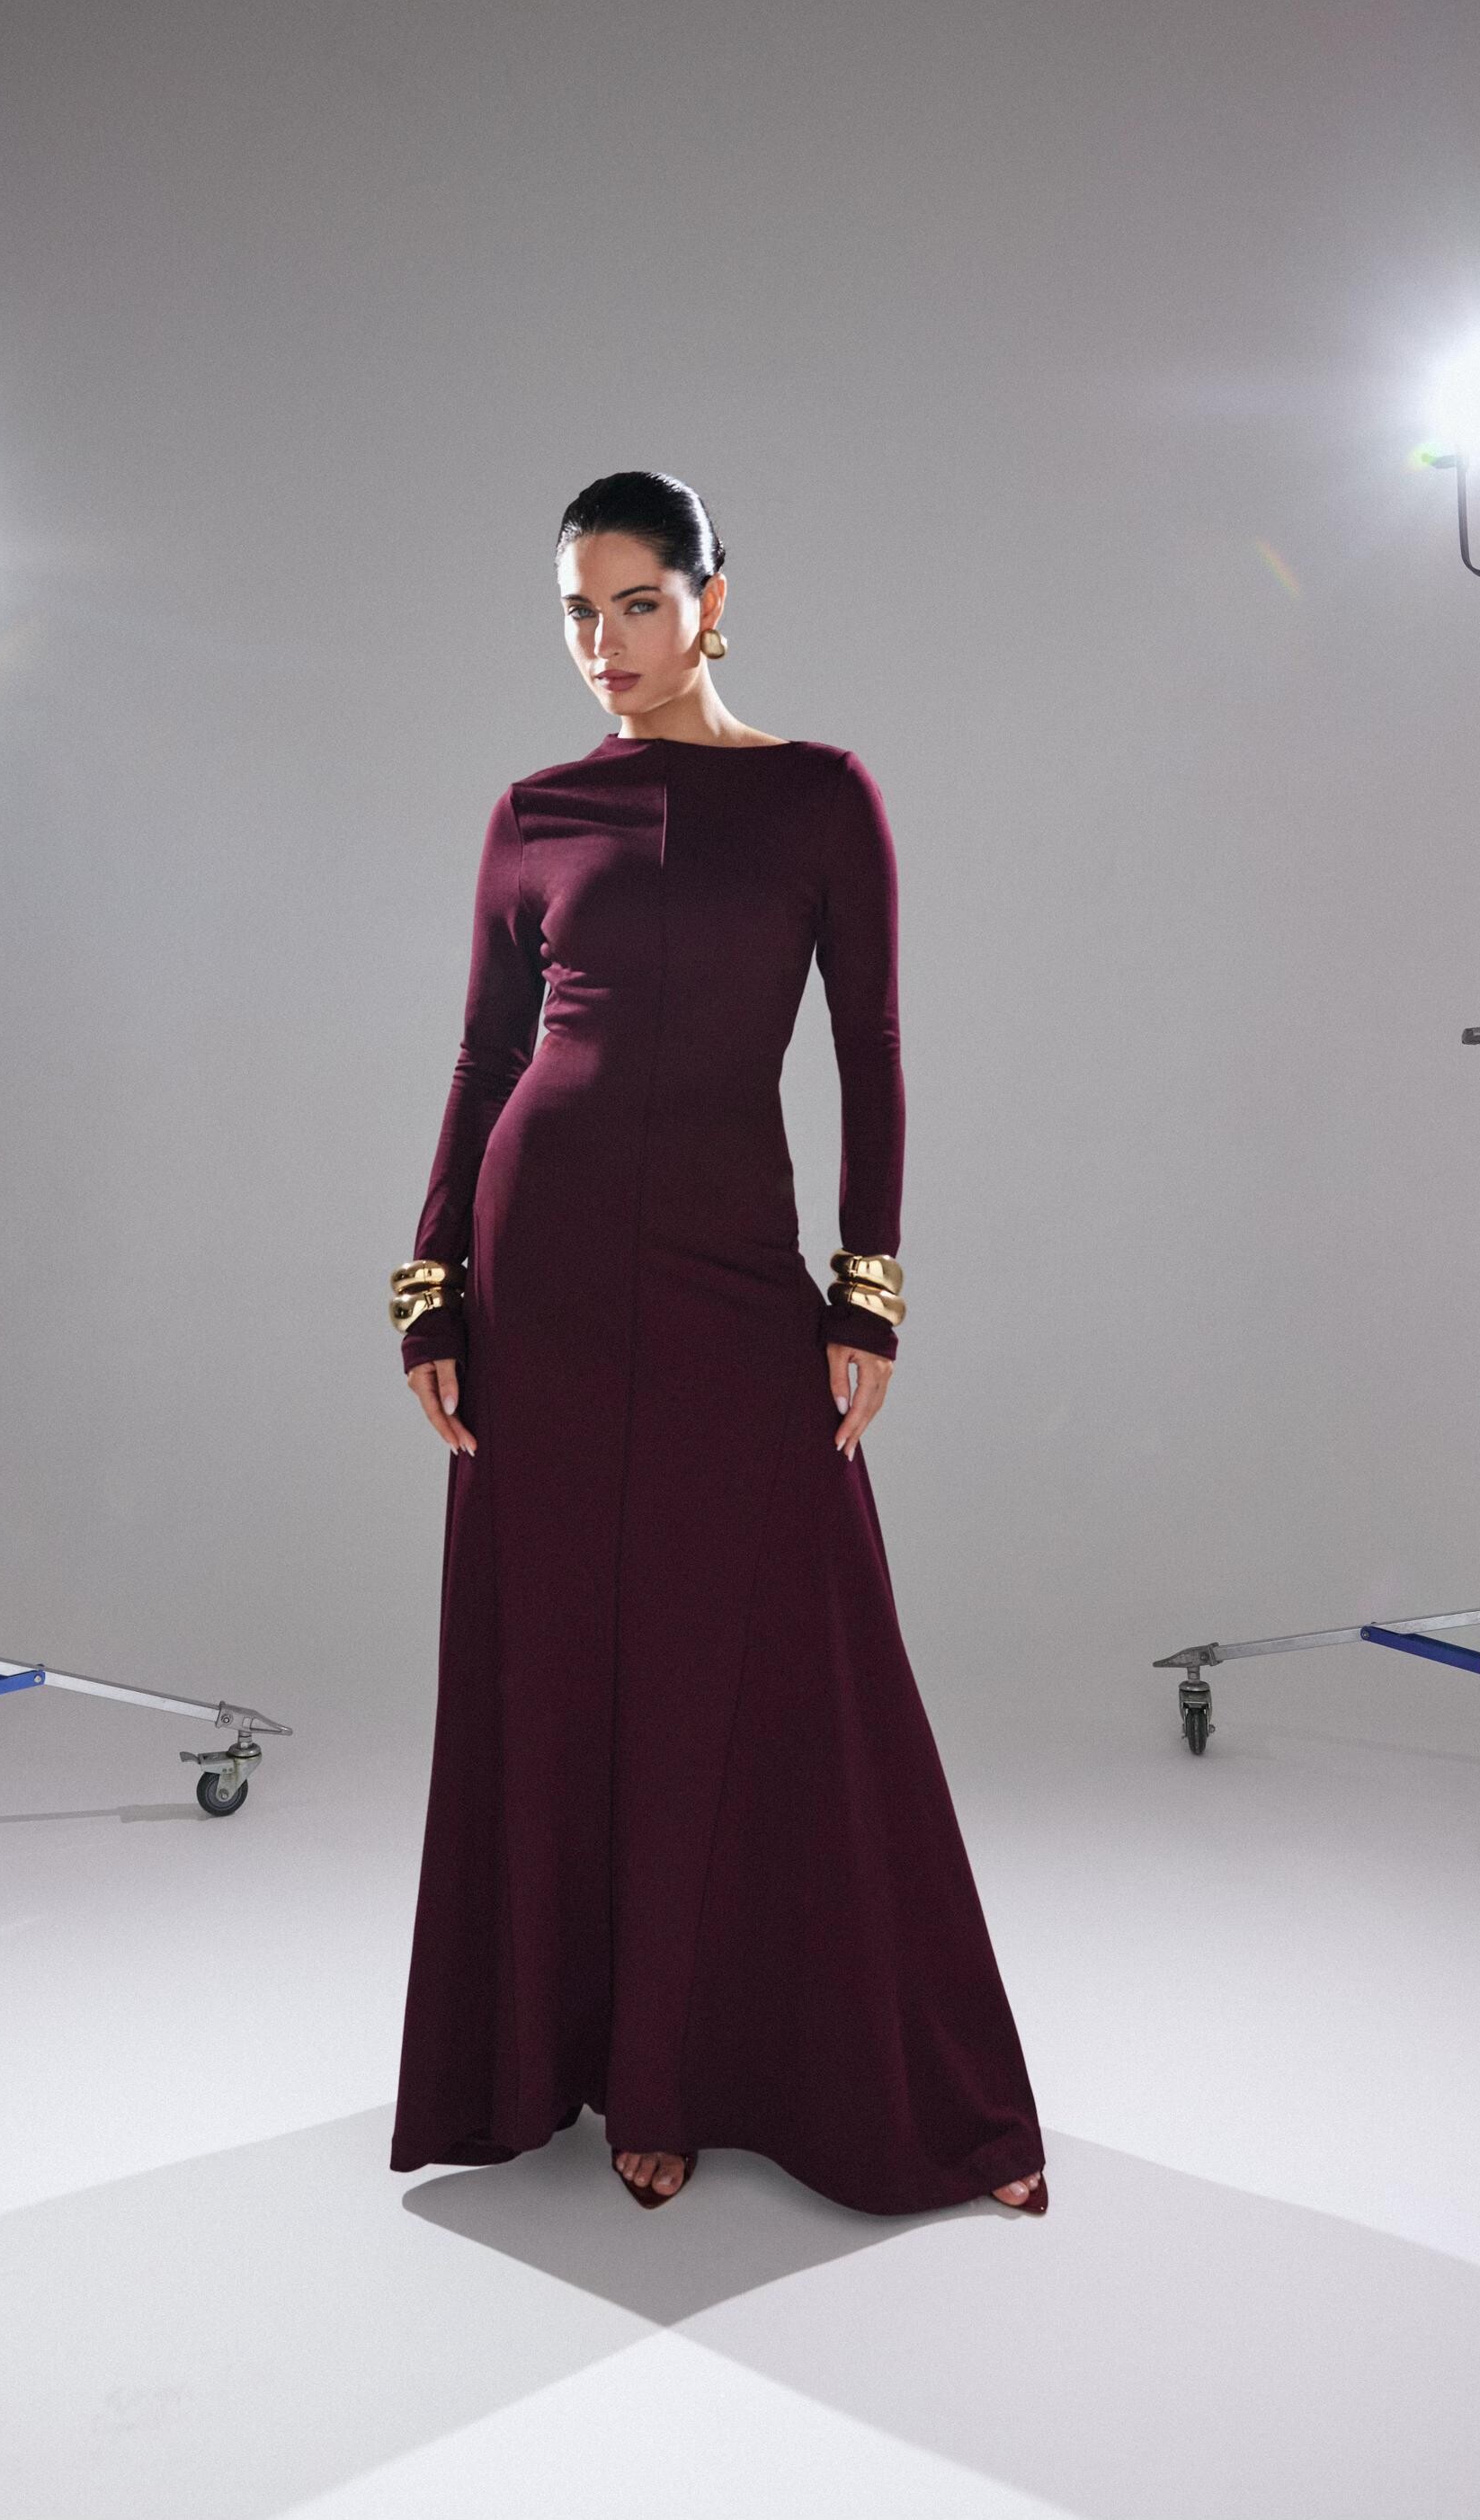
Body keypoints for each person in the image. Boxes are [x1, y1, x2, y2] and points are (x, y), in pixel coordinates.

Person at [388, 470, 1045, 2217]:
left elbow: (870, 1046)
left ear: (712, 601)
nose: (603, 644)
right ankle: (608, 2071)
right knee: (563, 1657)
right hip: (540, 1271)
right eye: (576, 612)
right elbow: (483, 1058)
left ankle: (856, 2078)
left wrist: (866, 1283)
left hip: (729, 1272)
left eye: (636, 604)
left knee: (772, 1646)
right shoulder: (534, 811)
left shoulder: (823, 798)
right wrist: (431, 1278)